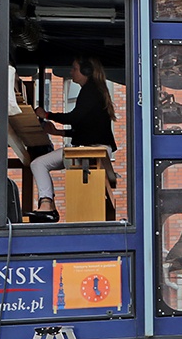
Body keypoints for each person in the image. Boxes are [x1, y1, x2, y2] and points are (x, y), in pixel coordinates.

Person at [28, 56, 117, 222]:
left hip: (92, 148)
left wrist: (46, 114)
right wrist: (59, 133)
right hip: (95, 145)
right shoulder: (94, 90)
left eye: (74, 68)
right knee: (40, 163)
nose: (71, 72)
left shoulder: (90, 90)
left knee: (38, 163)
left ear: (86, 71)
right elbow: (87, 127)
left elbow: (74, 118)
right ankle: (48, 205)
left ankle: (47, 204)